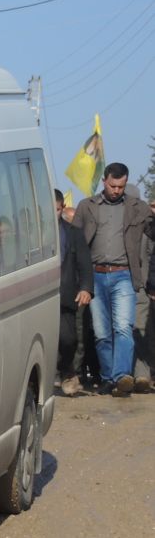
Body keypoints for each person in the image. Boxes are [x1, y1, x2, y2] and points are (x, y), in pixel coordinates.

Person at [73, 162, 154, 397]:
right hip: (95, 276)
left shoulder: (137, 208)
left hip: (124, 276)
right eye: (113, 185)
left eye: (121, 186)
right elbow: (75, 243)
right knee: (101, 333)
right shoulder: (86, 207)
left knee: (123, 328)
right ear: (104, 181)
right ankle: (109, 378)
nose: (117, 190)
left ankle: (120, 377)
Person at [56, 189, 93, 397]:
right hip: (37, 297)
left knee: (68, 339)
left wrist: (86, 287)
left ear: (61, 208)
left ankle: (67, 369)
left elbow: (84, 263)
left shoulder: (73, 233)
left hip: (65, 295)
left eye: (57, 209)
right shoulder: (30, 233)